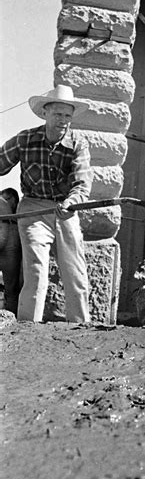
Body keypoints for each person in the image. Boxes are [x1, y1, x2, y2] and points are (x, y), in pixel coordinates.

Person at [0, 84, 92, 322]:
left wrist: (71, 201)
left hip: (66, 209)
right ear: (45, 113)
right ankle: (27, 328)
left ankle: (81, 328)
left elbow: (83, 184)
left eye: (67, 115)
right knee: (35, 271)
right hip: (32, 208)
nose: (63, 120)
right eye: (58, 114)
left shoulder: (78, 144)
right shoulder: (25, 139)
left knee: (75, 272)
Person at [0, 188, 22, 314]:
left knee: (11, 288)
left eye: (8, 199)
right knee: (12, 288)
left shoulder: (17, 215)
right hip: (10, 248)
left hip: (10, 248)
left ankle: (11, 315)